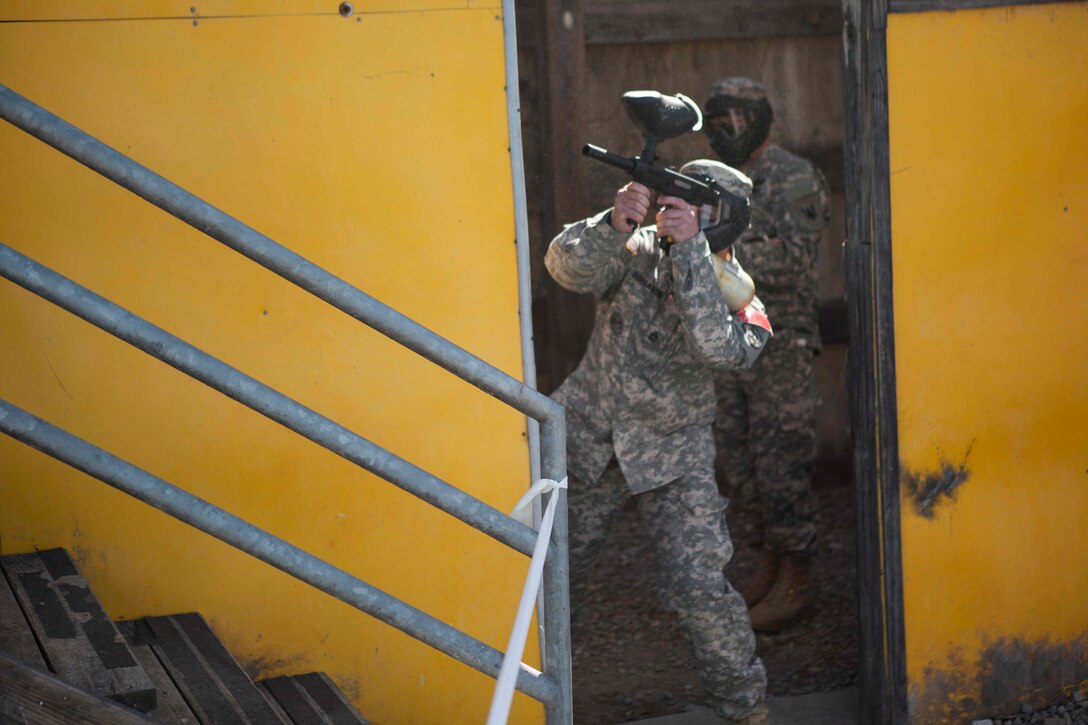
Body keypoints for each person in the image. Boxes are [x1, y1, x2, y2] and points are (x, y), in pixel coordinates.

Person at [545, 159, 773, 724]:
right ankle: (523, 702)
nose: (681, 213)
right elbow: (564, 268)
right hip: (589, 442)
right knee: (546, 577)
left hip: (674, 455)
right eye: (677, 200)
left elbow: (718, 349)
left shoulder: (740, 289)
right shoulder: (635, 249)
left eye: (700, 207)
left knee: (698, 587)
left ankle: (747, 710)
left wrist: (692, 251)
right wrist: (613, 223)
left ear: (728, 219)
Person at [701, 77, 831, 633]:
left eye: (739, 120)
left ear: (762, 120)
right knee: (740, 457)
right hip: (729, 341)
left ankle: (796, 578)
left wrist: (717, 250)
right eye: (720, 121)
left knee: (781, 458)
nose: (729, 130)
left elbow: (793, 257)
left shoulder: (797, 177)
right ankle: (768, 563)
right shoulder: (714, 182)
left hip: (779, 339)